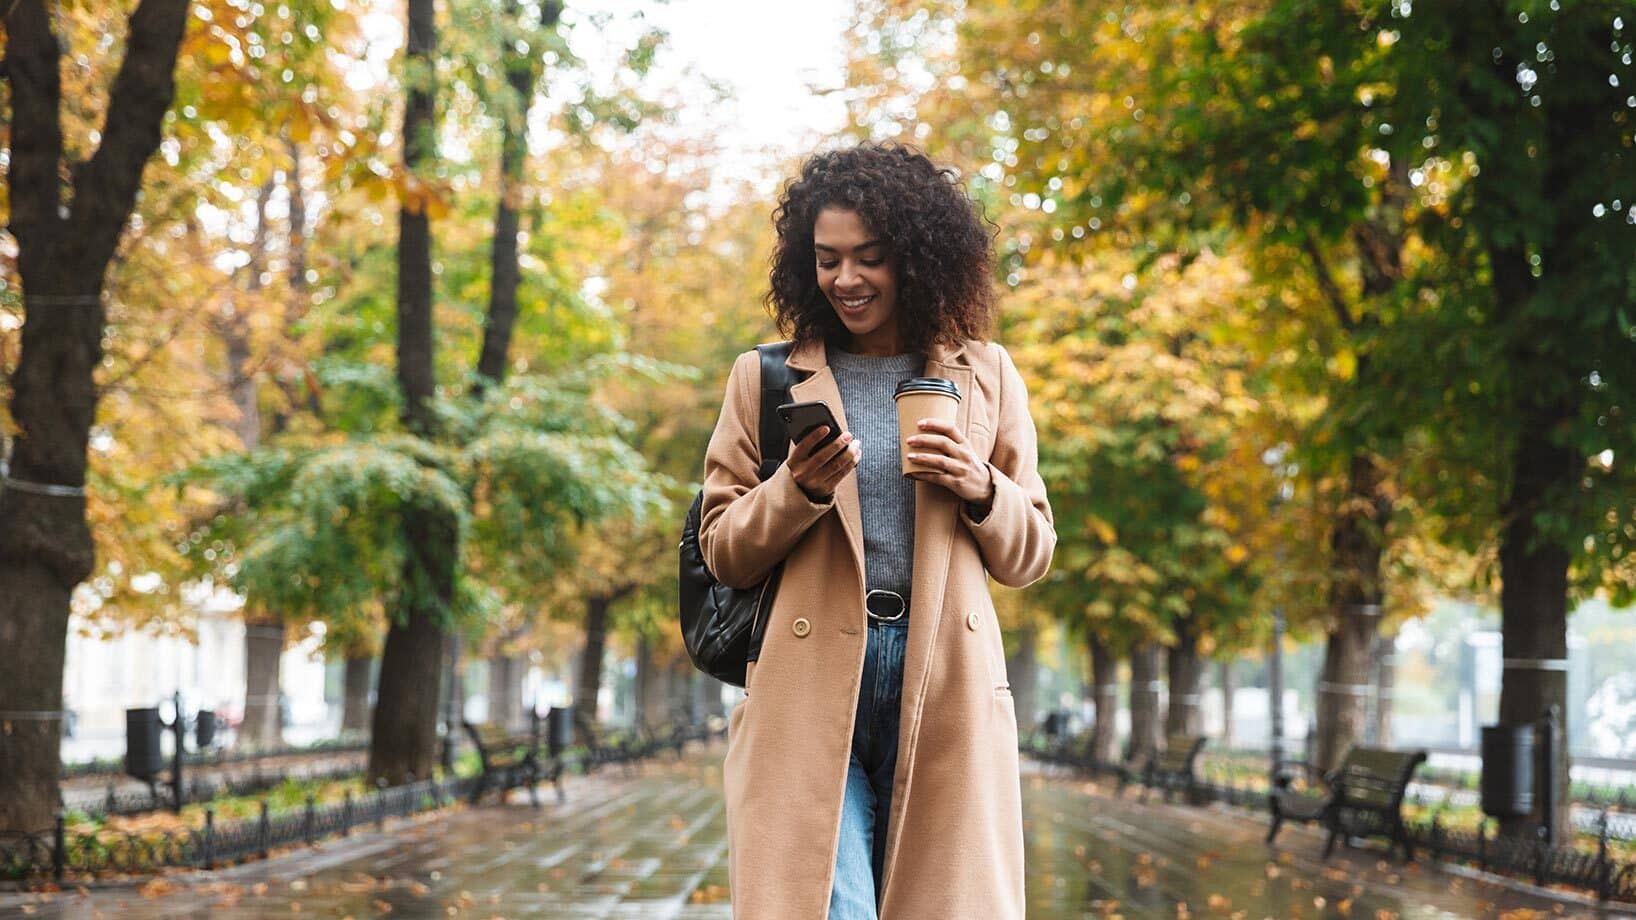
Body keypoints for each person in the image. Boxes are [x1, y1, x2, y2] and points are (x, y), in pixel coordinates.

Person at [698, 142, 1055, 920]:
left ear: (918, 257)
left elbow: (1032, 553)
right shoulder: (764, 376)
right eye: (827, 259)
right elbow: (722, 548)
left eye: (870, 257)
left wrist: (979, 485)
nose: (847, 280)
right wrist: (796, 489)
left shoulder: (986, 373)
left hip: (946, 678)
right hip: (809, 677)